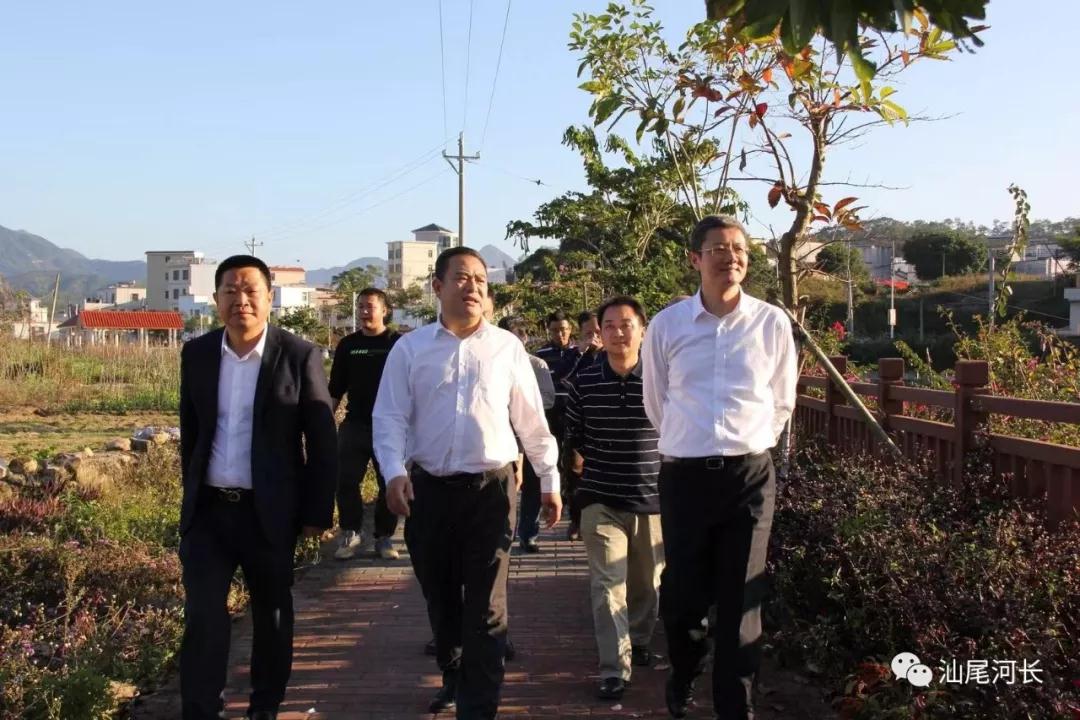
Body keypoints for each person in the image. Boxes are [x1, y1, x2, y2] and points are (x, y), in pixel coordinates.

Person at [374, 246, 562, 720]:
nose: (473, 286)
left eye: (480, 279)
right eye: (461, 277)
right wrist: (394, 472)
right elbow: (389, 417)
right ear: (438, 287)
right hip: (429, 492)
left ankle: (478, 707)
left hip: (491, 492)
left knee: (487, 604)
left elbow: (531, 421)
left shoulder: (506, 347)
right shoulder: (410, 349)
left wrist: (549, 478)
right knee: (440, 596)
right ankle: (453, 671)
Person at [642, 215, 797, 720]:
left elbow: (781, 400)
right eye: (718, 249)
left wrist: (749, 443)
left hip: (748, 478)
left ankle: (737, 705)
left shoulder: (771, 323)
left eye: (739, 249)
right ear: (695, 259)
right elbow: (656, 402)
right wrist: (693, 441)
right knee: (683, 597)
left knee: (742, 600)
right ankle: (685, 668)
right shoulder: (667, 325)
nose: (731, 257)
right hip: (685, 478)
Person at [178, 255, 337, 720]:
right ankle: (201, 708)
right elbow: (191, 432)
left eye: (251, 291)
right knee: (204, 613)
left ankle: (265, 704)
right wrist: (189, 499)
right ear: (216, 299)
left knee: (271, 612)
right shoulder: (197, 354)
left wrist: (316, 512)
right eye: (230, 290)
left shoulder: (299, 355)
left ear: (270, 298)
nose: (240, 300)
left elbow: (322, 440)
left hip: (269, 512)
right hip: (209, 511)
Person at [564, 295, 663, 701]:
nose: (618, 333)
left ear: (643, 330)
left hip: (653, 499)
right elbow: (574, 440)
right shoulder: (583, 383)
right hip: (600, 498)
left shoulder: (662, 380)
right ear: (599, 333)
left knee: (648, 584)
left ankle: (639, 639)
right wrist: (573, 499)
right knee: (607, 585)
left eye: (627, 325)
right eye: (609, 326)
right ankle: (614, 669)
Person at [328, 287, 402, 560]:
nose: (363, 311)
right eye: (360, 306)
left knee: (388, 483)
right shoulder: (348, 345)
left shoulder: (397, 343)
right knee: (346, 481)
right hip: (355, 425)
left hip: (390, 427)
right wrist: (324, 421)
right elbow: (335, 388)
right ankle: (350, 533)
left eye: (370, 306)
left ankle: (384, 537)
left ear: (385, 310)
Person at [497, 315, 556, 552]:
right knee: (504, 489)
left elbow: (549, 398)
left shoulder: (537, 365)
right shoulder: (493, 364)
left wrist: (521, 405)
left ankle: (528, 533)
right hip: (501, 436)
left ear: (524, 338)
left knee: (531, 487)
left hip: (528, 433)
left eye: (519, 336)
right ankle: (503, 531)